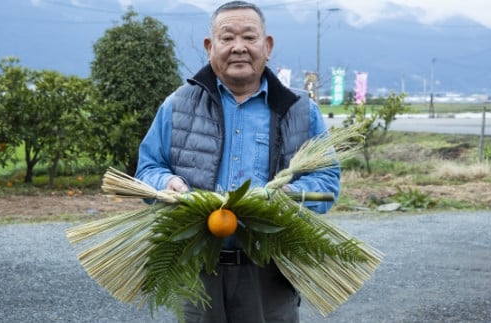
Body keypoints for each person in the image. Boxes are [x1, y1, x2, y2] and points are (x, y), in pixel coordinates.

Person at [135, 1, 341, 322]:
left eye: (249, 37)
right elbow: (146, 170)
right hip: (197, 267)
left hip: (270, 271)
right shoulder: (178, 105)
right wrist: (167, 184)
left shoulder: (300, 110)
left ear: (267, 46)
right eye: (227, 38)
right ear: (210, 46)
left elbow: (327, 187)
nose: (239, 47)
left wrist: (284, 200)